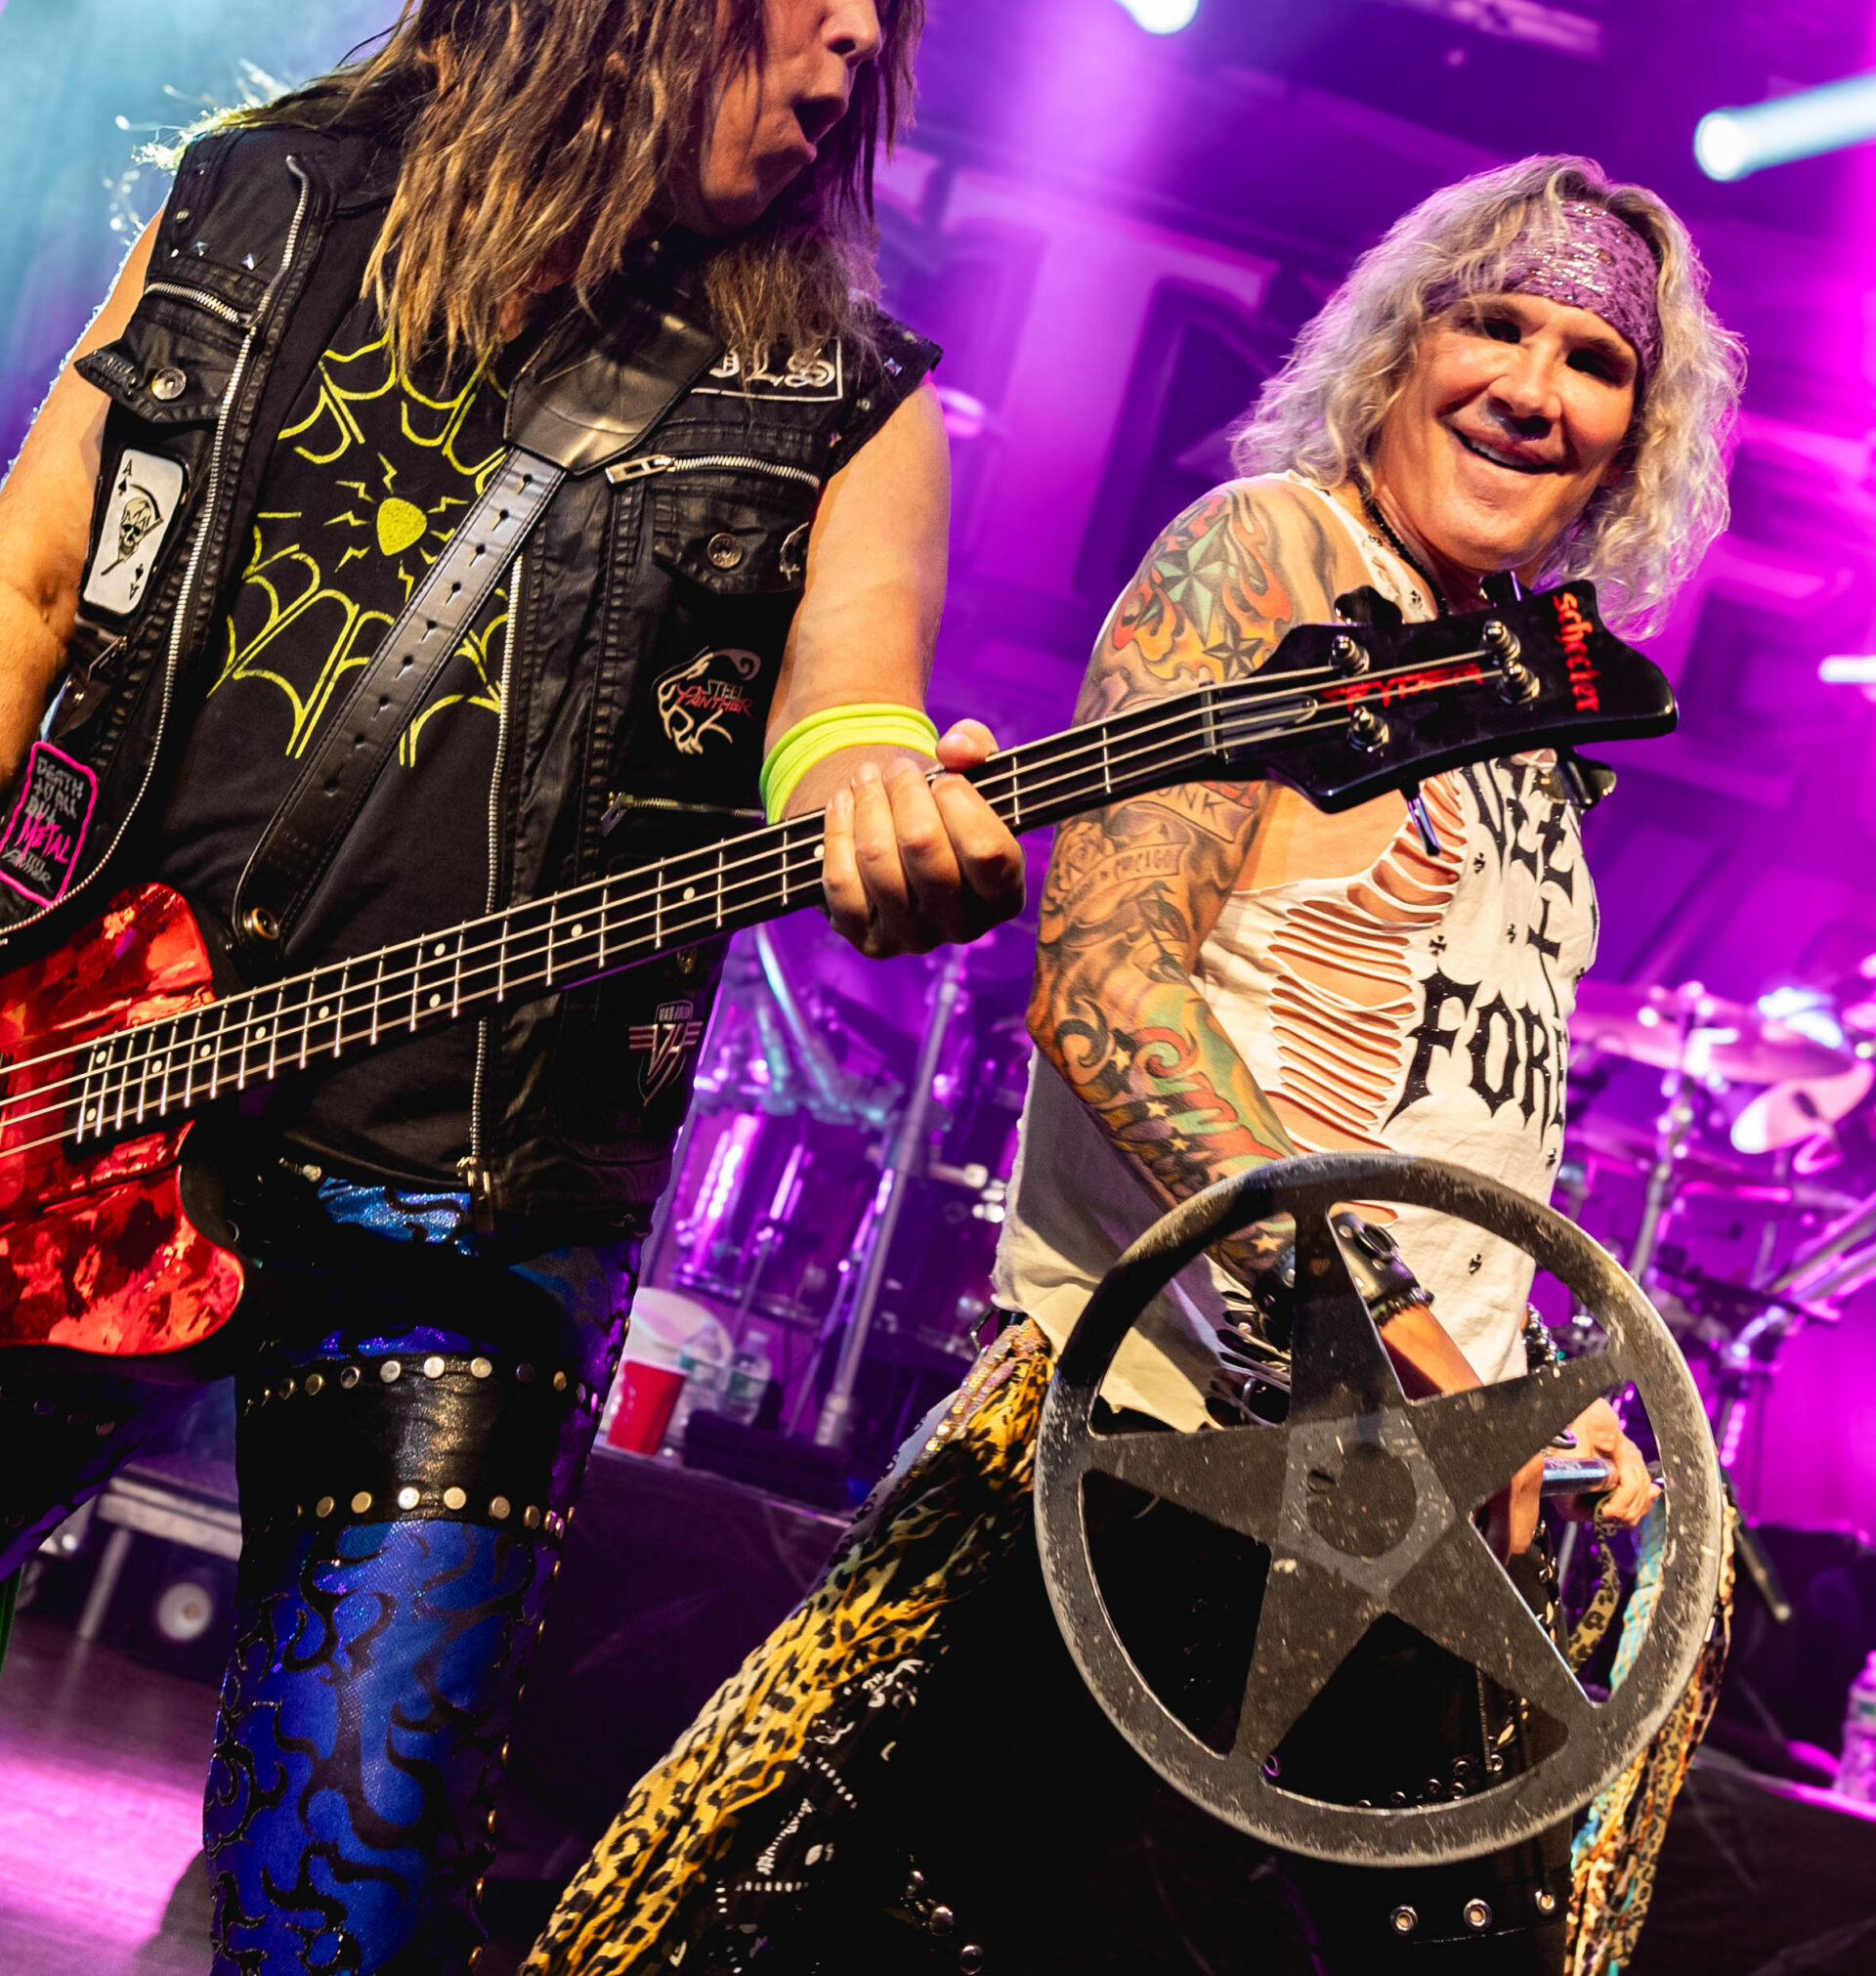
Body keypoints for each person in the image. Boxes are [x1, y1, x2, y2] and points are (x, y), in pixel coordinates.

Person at [0, 0, 1023, 1974]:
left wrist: (876, 791)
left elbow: (848, 696)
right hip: (55, 1083)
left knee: (350, 1886)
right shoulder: (253, 207)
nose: (863, 39)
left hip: (460, 1214)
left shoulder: (844, 401)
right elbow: (33, 578)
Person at [521, 157, 1742, 1976]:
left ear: (1635, 432)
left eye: (1594, 361)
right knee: (807, 1926)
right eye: (1493, 325)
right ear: (1402, 349)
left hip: (1410, 1478)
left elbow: (1457, 1118)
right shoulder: (1274, 554)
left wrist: (1530, 1383)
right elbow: (1107, 986)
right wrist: (1393, 1329)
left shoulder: (1528, 699)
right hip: (1166, 1430)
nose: (1531, 387)